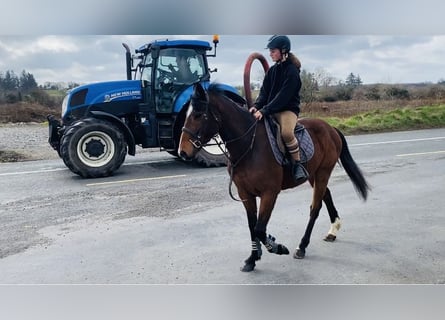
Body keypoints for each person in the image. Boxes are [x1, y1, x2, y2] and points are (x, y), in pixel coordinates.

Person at [249, 35, 308, 182]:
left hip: (287, 110)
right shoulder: (272, 71)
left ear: (284, 51)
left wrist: (264, 110)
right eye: (270, 51)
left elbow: (283, 97)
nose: (270, 53)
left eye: (273, 51)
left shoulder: (292, 72)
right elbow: (264, 93)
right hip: (270, 109)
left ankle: (297, 165)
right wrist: (256, 106)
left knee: (287, 133)